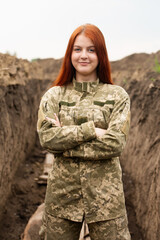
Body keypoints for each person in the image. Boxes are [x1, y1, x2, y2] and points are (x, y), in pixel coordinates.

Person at [37, 23, 131, 240]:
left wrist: (65, 142)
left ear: (101, 54)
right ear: (70, 54)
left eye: (91, 49)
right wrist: (93, 131)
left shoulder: (117, 96)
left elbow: (115, 143)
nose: (84, 56)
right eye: (77, 49)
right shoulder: (54, 96)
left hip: (106, 199)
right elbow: (48, 139)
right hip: (62, 197)